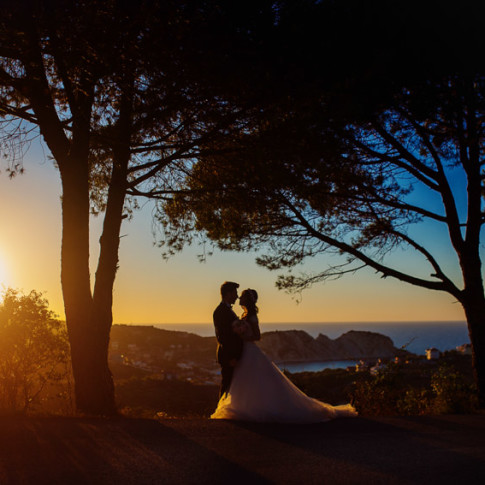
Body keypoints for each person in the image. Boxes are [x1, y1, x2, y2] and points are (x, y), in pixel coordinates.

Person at [211, 288, 357, 423]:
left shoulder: (252, 316)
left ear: (247, 300)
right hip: (244, 352)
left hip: (250, 351)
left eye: (241, 296)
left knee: (255, 381)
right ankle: (246, 407)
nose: (238, 298)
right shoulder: (243, 315)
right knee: (247, 382)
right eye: (238, 295)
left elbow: (257, 335)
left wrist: (242, 335)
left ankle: (255, 409)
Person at [213, 281, 243, 399]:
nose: (237, 296)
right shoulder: (220, 312)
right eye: (235, 293)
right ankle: (222, 413)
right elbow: (223, 336)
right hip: (228, 355)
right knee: (227, 384)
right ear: (228, 294)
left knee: (231, 384)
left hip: (232, 355)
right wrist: (231, 357)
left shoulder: (227, 310)